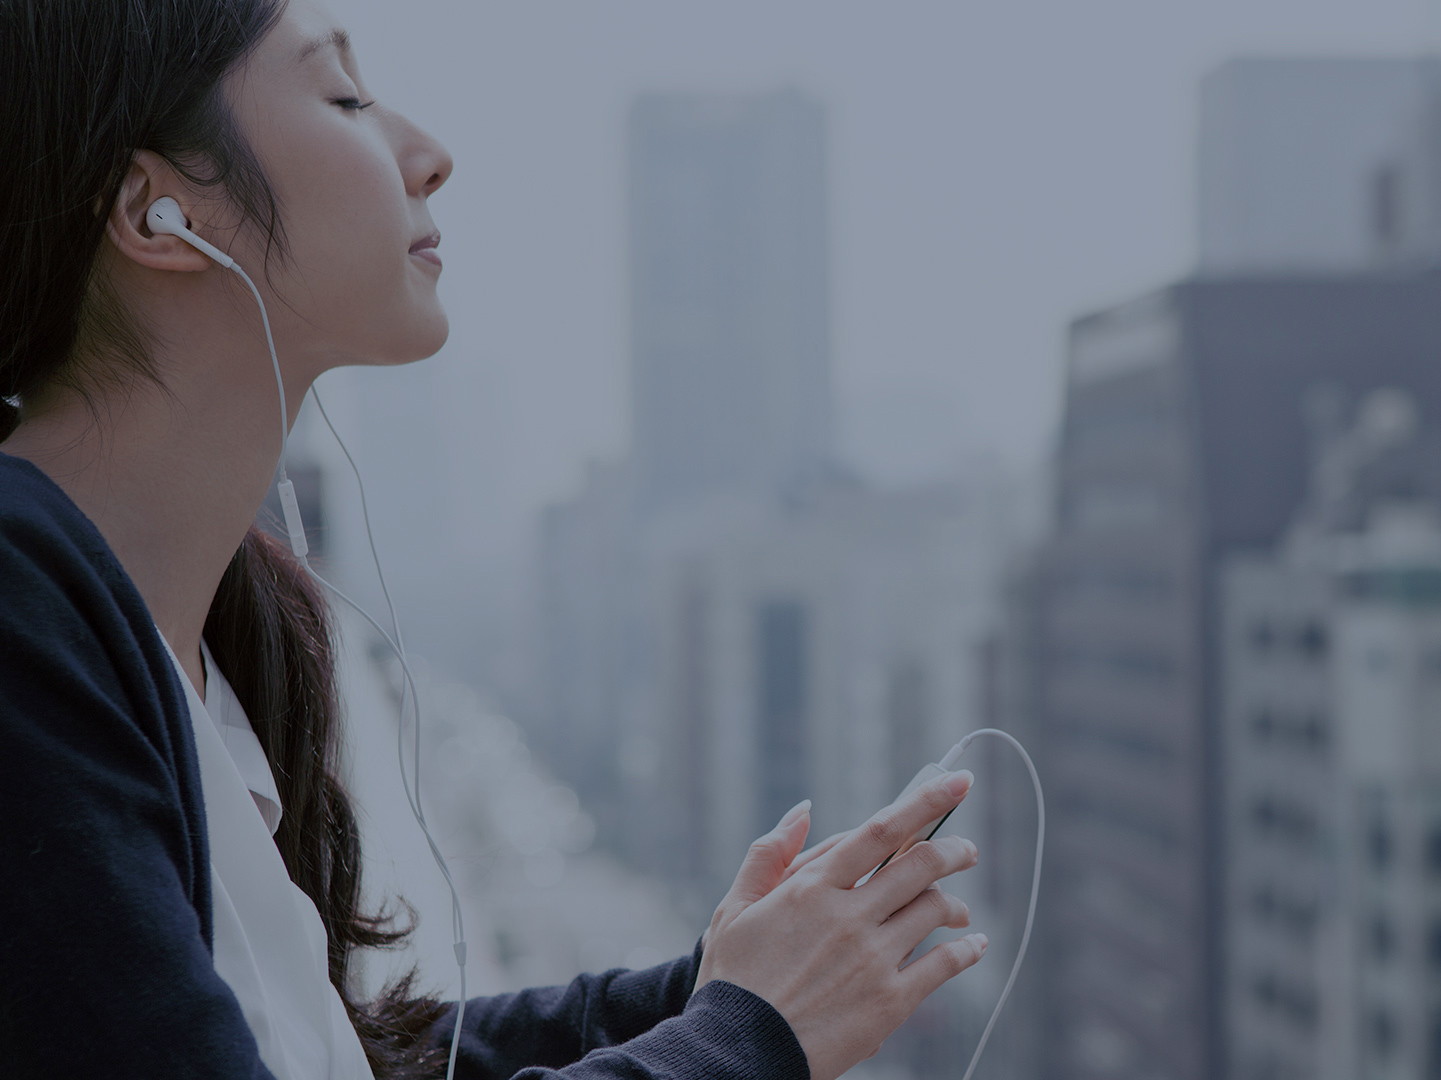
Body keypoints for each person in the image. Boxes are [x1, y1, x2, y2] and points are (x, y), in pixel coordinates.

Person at [0, 1, 988, 1077]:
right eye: (342, 97)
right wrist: (745, 1038)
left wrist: (714, 987)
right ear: (157, 213)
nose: (429, 156)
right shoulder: (20, 608)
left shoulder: (204, 637)